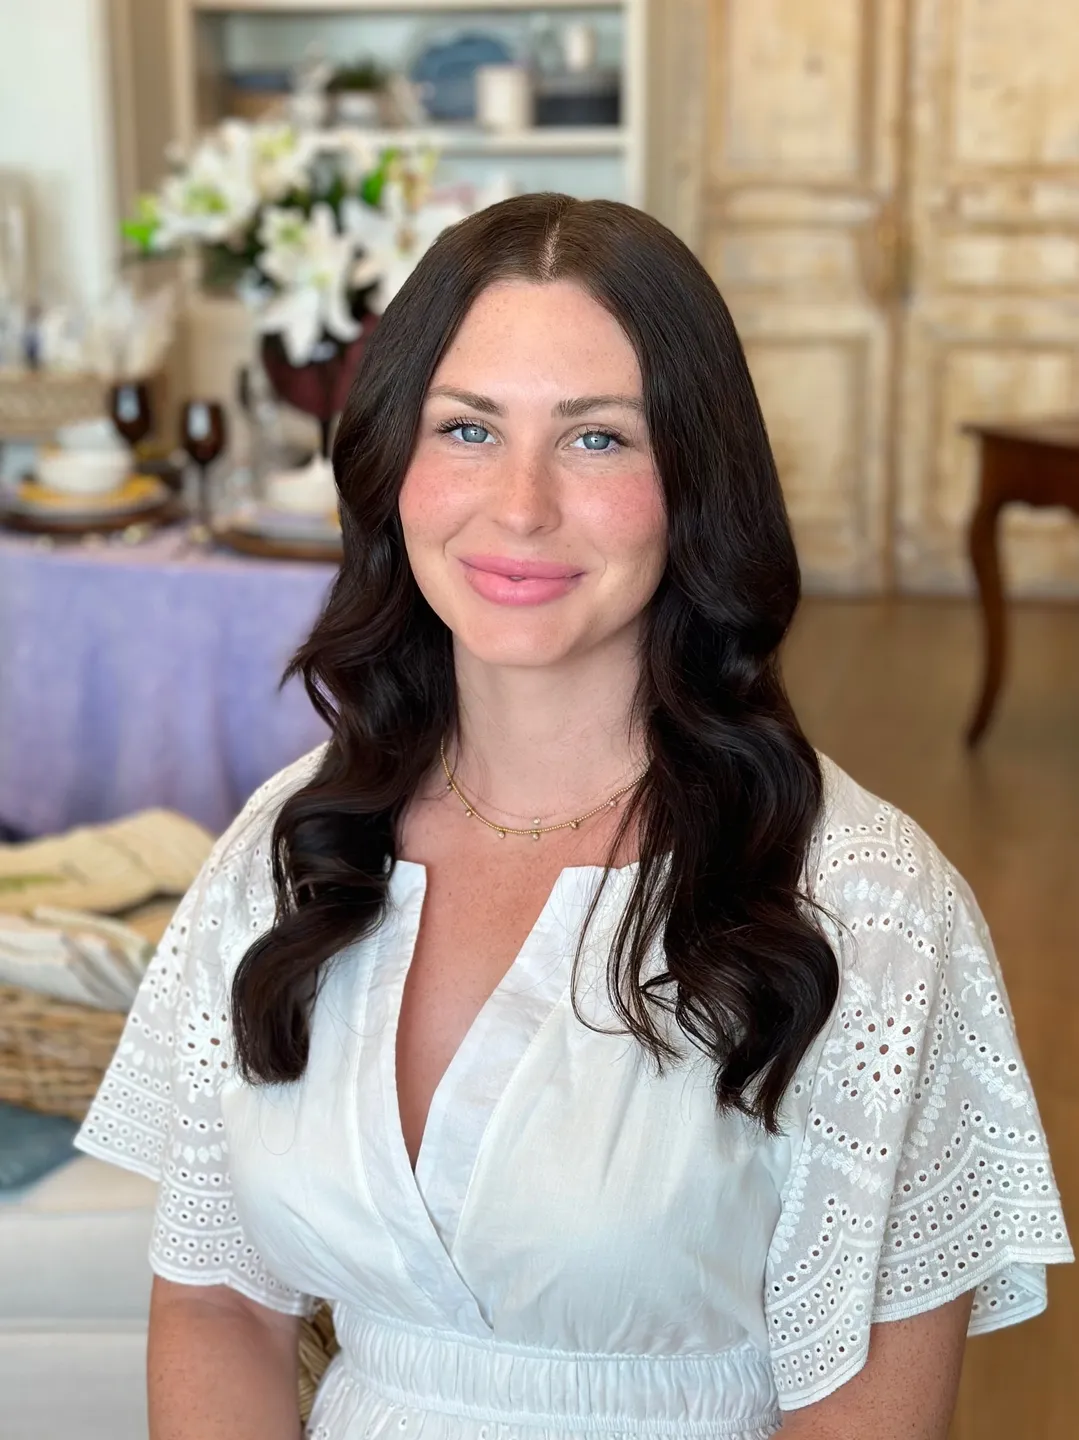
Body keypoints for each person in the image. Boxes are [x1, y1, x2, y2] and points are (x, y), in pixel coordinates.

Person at [77, 193, 1071, 1440]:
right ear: (393, 463)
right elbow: (219, 1300)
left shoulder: (858, 906)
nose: (522, 504)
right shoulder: (292, 841)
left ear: (696, 480)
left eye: (597, 438)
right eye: (468, 428)